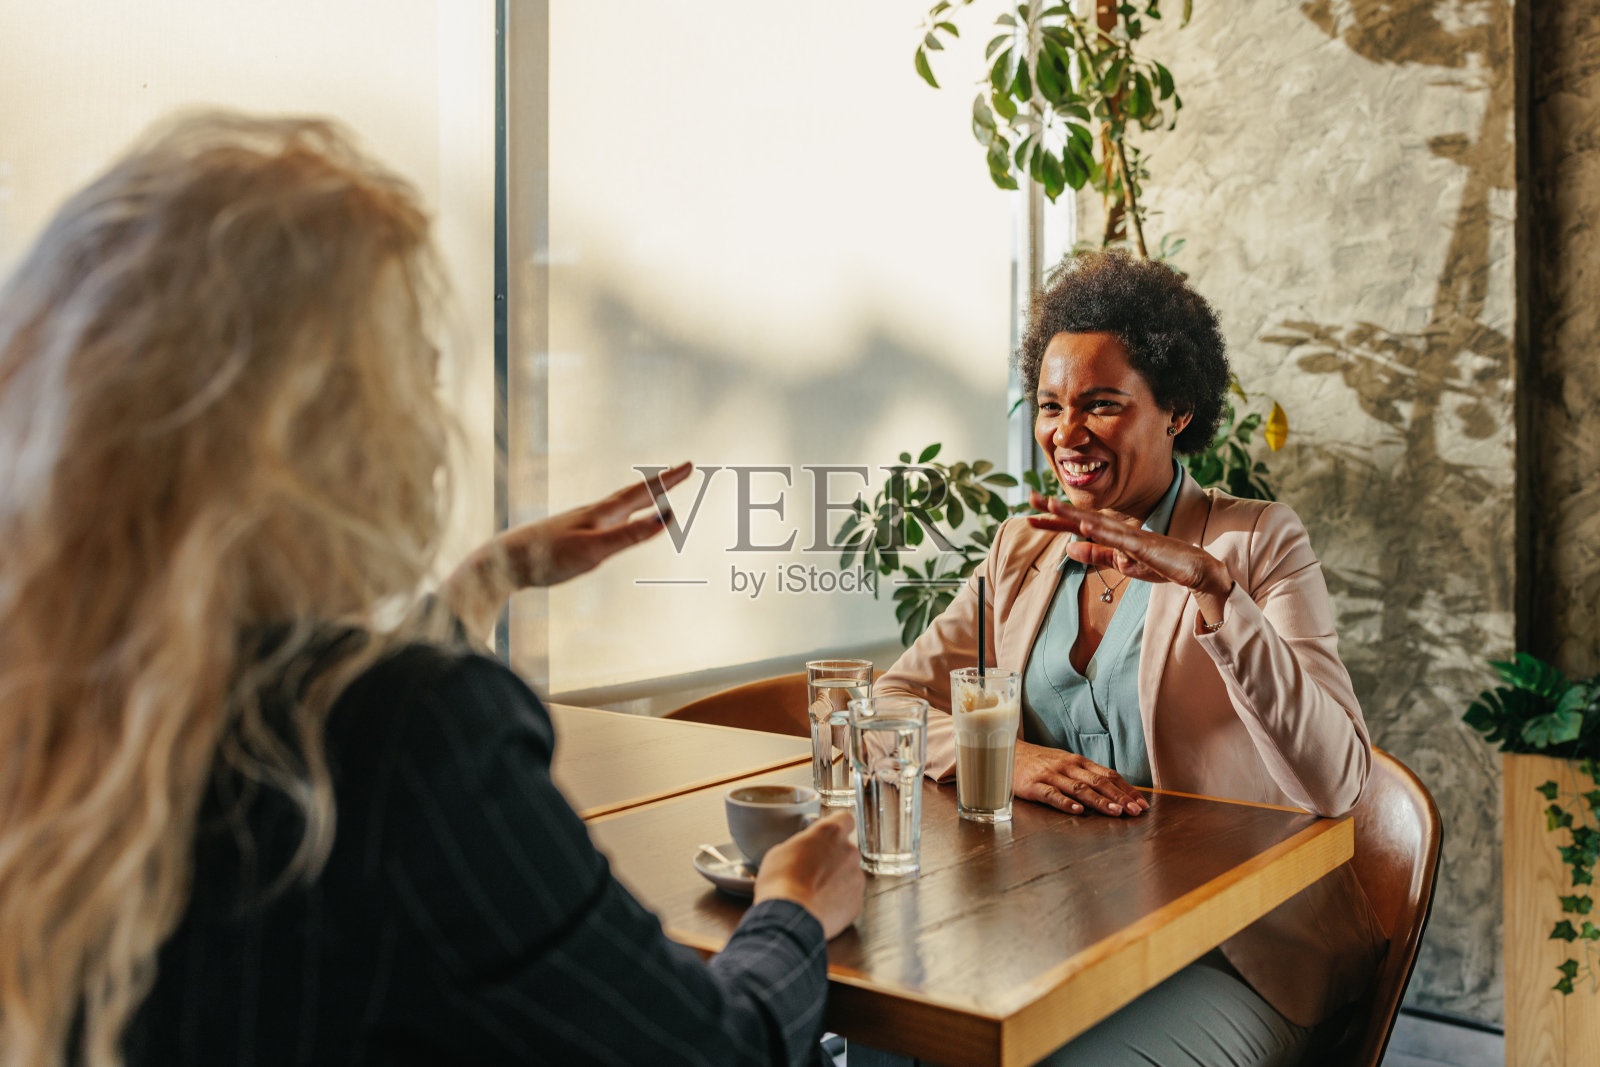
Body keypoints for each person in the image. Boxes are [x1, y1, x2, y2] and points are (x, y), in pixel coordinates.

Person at [0, 112, 863, 1067]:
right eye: (416, 365)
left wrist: (487, 578)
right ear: (329, 424)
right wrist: (792, 906)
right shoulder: (412, 741)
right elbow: (714, 1053)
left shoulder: (55, 712)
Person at [866, 250, 1385, 1066]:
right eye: (1049, 406)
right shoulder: (1021, 549)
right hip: (1058, 933)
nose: (1065, 435)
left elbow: (1335, 779)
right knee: (891, 1040)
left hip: (1233, 956)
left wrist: (1217, 593)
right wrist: (1011, 760)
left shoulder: (1256, 543)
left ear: (1175, 408)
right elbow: (888, 706)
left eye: (1100, 405)